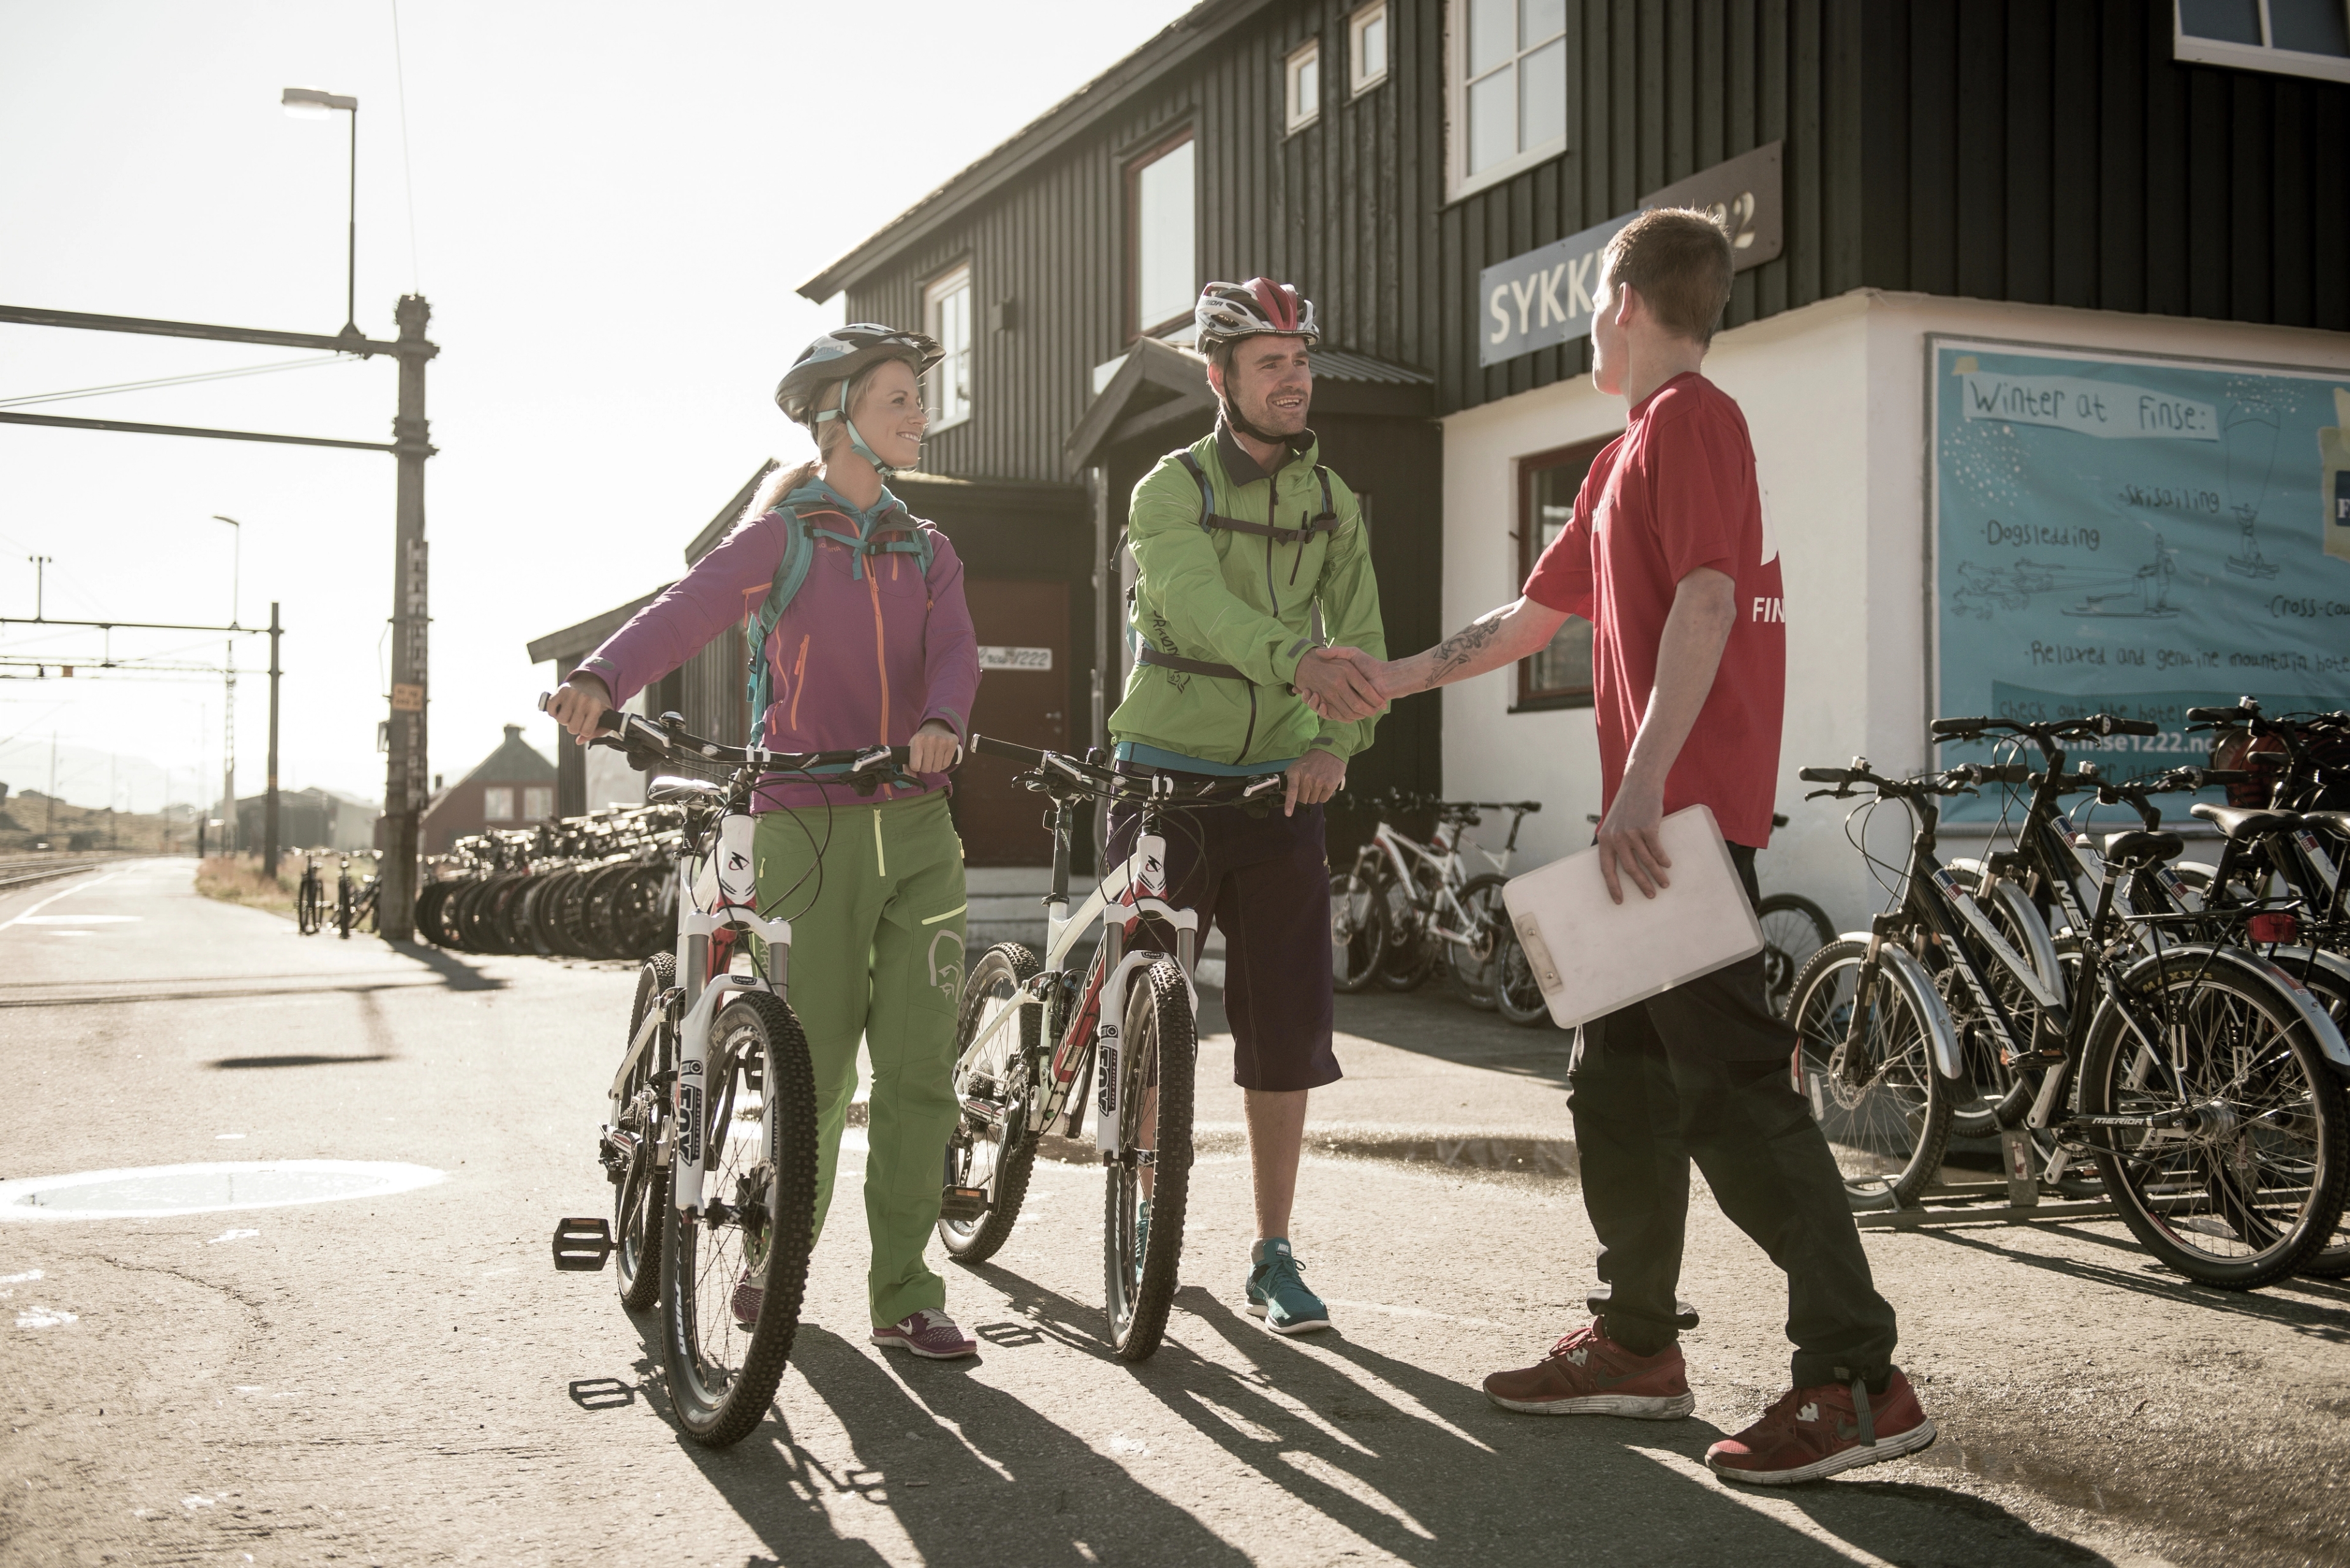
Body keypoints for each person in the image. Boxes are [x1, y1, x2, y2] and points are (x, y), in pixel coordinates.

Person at [1335, 211, 1934, 1484]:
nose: (1586, 330)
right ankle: (1637, 1345)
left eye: (1593, 306)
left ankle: (1858, 1381)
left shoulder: (1693, 422)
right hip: (1648, 838)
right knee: (1616, 1090)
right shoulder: (1622, 458)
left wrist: (1648, 783)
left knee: (1739, 1104)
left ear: (1622, 300)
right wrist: (1390, 679)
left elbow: (1710, 599)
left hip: (1678, 833)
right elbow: (1528, 618)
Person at [546, 325, 984, 1361]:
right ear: (837, 419)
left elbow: (957, 654)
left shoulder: (929, 549)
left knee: (920, 1071)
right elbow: (687, 610)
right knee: (814, 1072)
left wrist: (944, 720)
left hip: (918, 826)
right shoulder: (782, 540)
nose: (918, 413)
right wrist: (602, 676)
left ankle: (905, 1290)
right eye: (895, 398)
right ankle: (770, 1254)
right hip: (806, 824)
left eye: (917, 397)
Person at [1109, 277, 1387, 1335]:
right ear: (1220, 377)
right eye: (1272, 363)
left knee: (1286, 1027)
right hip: (1162, 780)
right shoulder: (1167, 489)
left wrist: (1334, 744)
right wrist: (1297, 662)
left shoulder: (1335, 501)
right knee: (1150, 1006)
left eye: (1302, 360)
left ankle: (1274, 1250)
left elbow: (1360, 638)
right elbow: (1196, 606)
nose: (1295, 378)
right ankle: (1144, 1213)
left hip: (1279, 787)